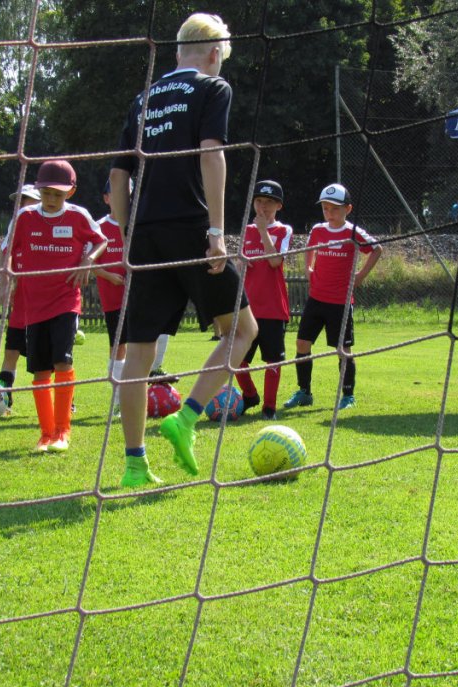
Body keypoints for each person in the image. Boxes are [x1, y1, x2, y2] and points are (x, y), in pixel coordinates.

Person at [109, 12, 258, 488]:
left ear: (178, 51)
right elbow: (211, 153)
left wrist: (125, 235)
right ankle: (186, 418)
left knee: (139, 353)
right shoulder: (213, 87)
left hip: (145, 235)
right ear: (215, 53)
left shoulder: (142, 99)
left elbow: (118, 174)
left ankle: (135, 466)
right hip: (191, 228)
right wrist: (216, 231)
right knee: (243, 330)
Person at [9, 160, 106, 452]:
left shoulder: (79, 216)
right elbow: (7, 250)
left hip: (66, 301)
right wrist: (6, 278)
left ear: (71, 192)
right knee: (40, 370)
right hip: (34, 306)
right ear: (38, 190)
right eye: (47, 193)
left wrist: (88, 260)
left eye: (58, 194)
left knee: (63, 361)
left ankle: (63, 431)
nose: (51, 199)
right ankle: (46, 434)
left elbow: (100, 240)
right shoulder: (25, 217)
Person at [283, 183, 382, 411]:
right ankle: (304, 392)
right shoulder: (318, 230)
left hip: (340, 303)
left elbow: (377, 249)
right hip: (316, 299)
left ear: (348, 208)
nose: (329, 213)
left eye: (335, 208)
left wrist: (360, 276)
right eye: (325, 208)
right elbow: (309, 248)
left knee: (342, 350)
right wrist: (308, 268)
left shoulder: (353, 232)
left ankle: (348, 396)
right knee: (302, 343)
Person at [234, 180, 293, 420]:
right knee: (237, 358)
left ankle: (269, 408)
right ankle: (250, 396)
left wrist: (262, 231)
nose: (263, 207)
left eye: (269, 202)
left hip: (273, 308)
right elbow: (240, 265)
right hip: (248, 308)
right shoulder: (246, 230)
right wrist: (239, 263)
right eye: (259, 201)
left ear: (279, 205)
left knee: (273, 361)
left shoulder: (283, 230)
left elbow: (275, 261)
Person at [0, 183, 43, 410]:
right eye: (20, 200)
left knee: (49, 360)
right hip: (21, 305)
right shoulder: (15, 225)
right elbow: (4, 254)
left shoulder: (49, 224)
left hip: (45, 306)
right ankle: (4, 400)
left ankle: (67, 401)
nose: (22, 204)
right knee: (11, 353)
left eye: (27, 199)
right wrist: (6, 285)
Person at [95, 180, 129, 415]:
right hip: (113, 299)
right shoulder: (99, 227)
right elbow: (89, 264)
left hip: (136, 297)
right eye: (115, 193)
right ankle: (118, 400)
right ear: (106, 198)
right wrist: (109, 276)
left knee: (140, 346)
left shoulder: (136, 226)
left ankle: (134, 395)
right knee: (118, 347)